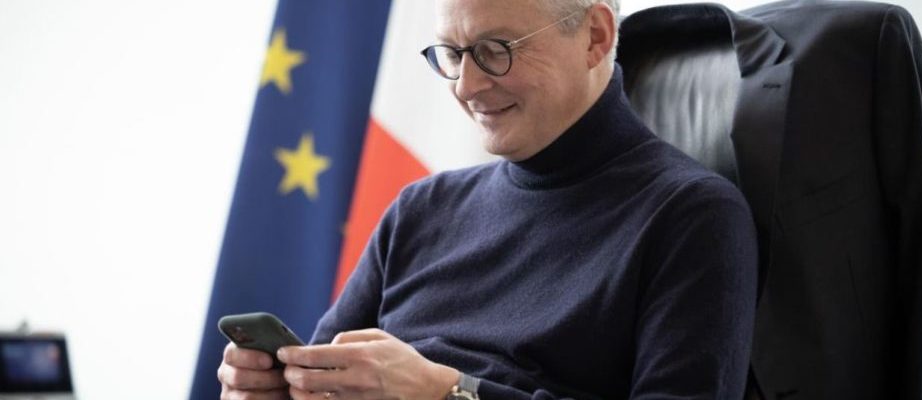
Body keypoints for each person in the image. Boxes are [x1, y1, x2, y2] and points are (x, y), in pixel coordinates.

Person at [217, 0, 758, 398]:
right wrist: (279, 389)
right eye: (453, 54)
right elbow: (324, 380)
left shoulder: (691, 216)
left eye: (495, 51)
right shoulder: (420, 210)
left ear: (594, 36)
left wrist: (447, 392)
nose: (465, 86)